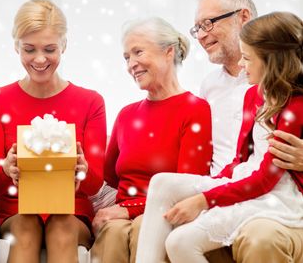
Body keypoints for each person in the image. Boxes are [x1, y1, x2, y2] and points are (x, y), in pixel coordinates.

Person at [136, 11, 303, 263]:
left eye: (247, 58)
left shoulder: (295, 108)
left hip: (274, 197)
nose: (242, 65)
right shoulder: (253, 96)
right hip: (246, 178)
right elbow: (240, 159)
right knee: (161, 182)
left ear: (272, 62)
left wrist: (205, 199)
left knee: (180, 242)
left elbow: (265, 180)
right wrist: (214, 185)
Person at [0, 0, 106, 262]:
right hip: (16, 211)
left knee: (60, 226)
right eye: (29, 49)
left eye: (49, 49)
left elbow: (94, 186)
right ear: (16, 47)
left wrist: (83, 169)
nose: (39, 59)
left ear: (64, 46)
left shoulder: (90, 102)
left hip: (72, 210)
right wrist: (6, 170)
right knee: (27, 225)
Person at [191, 0, 303, 262]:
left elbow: (268, 174)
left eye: (208, 23)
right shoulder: (210, 87)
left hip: (276, 197)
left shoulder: (291, 92)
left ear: (243, 17)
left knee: (259, 237)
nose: (201, 35)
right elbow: (236, 154)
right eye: (196, 28)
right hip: (233, 185)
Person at [88, 17, 213, 263]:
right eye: (126, 57)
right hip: (121, 219)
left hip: (165, 213)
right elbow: (109, 177)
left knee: (142, 227)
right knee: (113, 231)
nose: (131, 64)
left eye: (138, 52)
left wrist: (130, 209)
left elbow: (185, 189)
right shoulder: (126, 115)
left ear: (168, 52)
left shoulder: (195, 109)